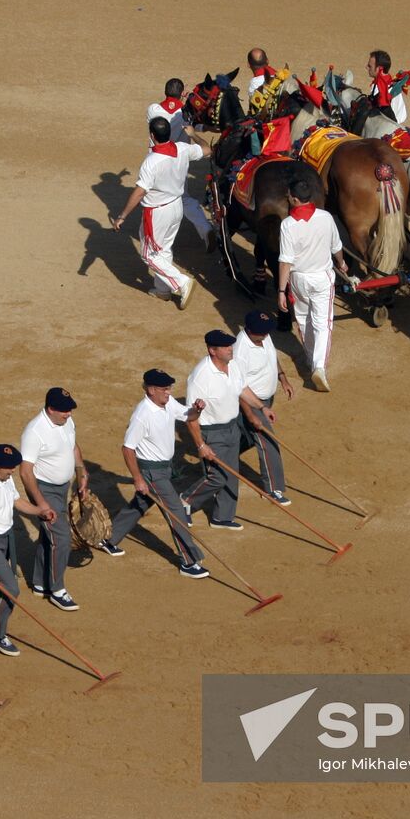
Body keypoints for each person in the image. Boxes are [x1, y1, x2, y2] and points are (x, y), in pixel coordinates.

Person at [96, 369, 210, 579]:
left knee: (141, 502)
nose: (168, 391)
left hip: (165, 467)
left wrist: (198, 410)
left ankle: (108, 539)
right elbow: (127, 448)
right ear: (151, 390)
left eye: (169, 387)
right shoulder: (142, 415)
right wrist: (139, 478)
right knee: (175, 511)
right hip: (152, 471)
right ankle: (189, 561)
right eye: (164, 388)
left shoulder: (167, 403)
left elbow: (188, 416)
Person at [110, 117, 213, 310]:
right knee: (163, 249)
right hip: (176, 206)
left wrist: (122, 216)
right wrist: (194, 135)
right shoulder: (182, 148)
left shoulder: (151, 161)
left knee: (148, 255)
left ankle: (181, 282)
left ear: (152, 135)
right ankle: (162, 290)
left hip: (156, 212)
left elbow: (140, 191)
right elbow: (207, 149)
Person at [0, 444, 56, 657]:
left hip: (5, 539)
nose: (13, 470)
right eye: (9, 467)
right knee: (10, 588)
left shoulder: (5, 479)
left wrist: (40, 512)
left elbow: (18, 502)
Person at [183, 330, 276, 530]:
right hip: (211, 432)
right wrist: (200, 445)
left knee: (231, 475)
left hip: (232, 427)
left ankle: (221, 517)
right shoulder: (200, 377)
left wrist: (261, 407)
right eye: (226, 347)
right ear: (212, 350)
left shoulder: (232, 365)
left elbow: (242, 389)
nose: (230, 349)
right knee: (217, 477)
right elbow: (190, 417)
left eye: (231, 345)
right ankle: (185, 502)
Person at [18, 388, 88, 612]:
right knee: (61, 537)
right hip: (44, 490)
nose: (69, 414)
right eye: (64, 411)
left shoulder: (66, 422)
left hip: (63, 488)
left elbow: (74, 447)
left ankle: (40, 582)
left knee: (49, 535)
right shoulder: (34, 432)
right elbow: (26, 472)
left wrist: (81, 473)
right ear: (50, 409)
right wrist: (41, 504)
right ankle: (57, 590)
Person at [277, 178, 350, 392]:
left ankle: (310, 358)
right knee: (323, 323)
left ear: (295, 199)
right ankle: (319, 366)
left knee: (302, 318)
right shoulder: (326, 217)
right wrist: (342, 263)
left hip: (298, 279)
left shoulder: (287, 225)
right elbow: (336, 246)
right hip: (322, 277)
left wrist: (281, 290)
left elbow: (285, 261)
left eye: (289, 196)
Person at [147, 78, 215, 251]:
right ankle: (205, 229)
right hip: (179, 162)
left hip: (156, 162)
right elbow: (202, 127)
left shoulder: (153, 109)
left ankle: (156, 241)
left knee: (153, 200)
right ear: (182, 93)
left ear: (165, 91)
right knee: (183, 198)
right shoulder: (187, 114)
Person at [236, 310, 294, 505]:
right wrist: (252, 414)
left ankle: (223, 455)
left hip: (266, 400)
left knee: (250, 438)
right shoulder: (240, 351)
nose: (267, 335)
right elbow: (239, 388)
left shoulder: (263, 336)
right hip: (253, 404)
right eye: (263, 332)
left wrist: (283, 378)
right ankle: (273, 489)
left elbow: (272, 356)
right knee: (268, 442)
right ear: (251, 331)